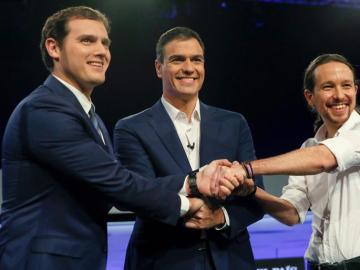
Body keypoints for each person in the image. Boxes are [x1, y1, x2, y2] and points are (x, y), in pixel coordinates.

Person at [0, 7, 237, 270]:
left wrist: (193, 183)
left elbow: (115, 184)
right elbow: (117, 184)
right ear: (54, 48)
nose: (101, 51)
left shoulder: (89, 116)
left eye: (105, 43)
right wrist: (191, 196)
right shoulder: (44, 110)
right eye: (87, 40)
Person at [113, 26, 264, 270]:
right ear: (158, 68)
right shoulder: (132, 128)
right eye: (177, 60)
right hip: (162, 259)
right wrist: (193, 182)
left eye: (196, 59)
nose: (189, 68)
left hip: (230, 259)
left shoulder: (233, 123)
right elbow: (134, 193)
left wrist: (220, 218)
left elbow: (256, 195)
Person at [221, 53, 360, 270]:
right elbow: (292, 215)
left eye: (347, 85)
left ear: (355, 90)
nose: (339, 95)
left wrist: (246, 169)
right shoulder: (308, 148)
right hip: (317, 265)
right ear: (309, 97)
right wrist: (251, 191)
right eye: (328, 87)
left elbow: (324, 159)